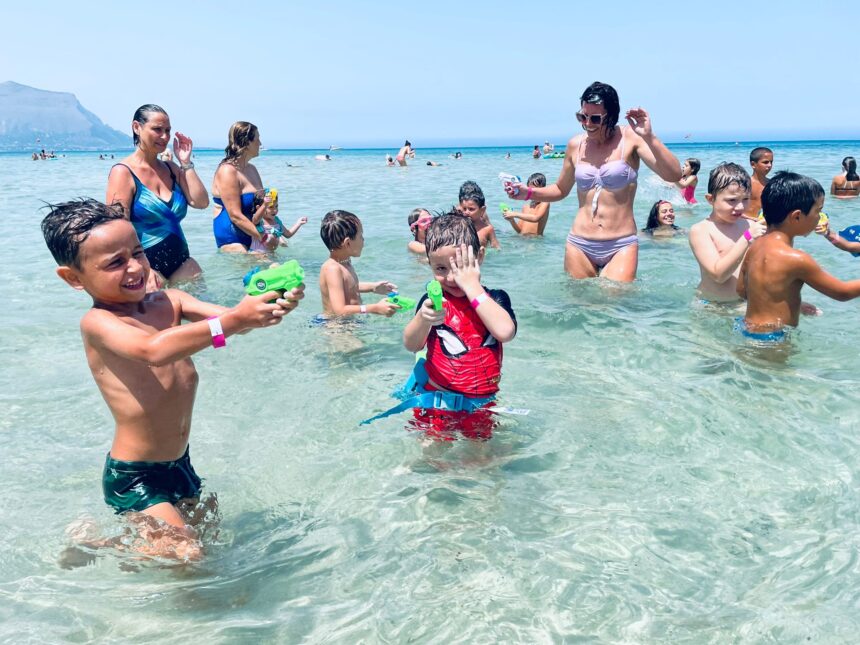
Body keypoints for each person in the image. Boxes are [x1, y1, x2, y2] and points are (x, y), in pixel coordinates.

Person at [41, 199, 304, 560]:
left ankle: (103, 543)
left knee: (206, 539)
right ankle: (93, 546)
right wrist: (234, 321)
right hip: (134, 474)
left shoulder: (171, 300)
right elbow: (154, 350)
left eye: (137, 252)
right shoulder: (99, 324)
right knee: (187, 554)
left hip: (180, 464)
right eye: (115, 262)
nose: (134, 267)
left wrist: (269, 304)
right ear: (74, 277)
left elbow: (235, 322)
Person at [505, 81, 681, 281]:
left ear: (611, 116)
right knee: (581, 307)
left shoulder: (631, 139)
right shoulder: (575, 145)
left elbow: (673, 175)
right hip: (579, 242)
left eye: (595, 118)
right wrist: (527, 192)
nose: (587, 123)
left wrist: (650, 137)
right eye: (582, 116)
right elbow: (561, 189)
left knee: (614, 302)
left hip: (620, 243)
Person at [400, 212, 517, 439]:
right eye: (440, 269)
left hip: (480, 404)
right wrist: (423, 318)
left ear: (479, 257)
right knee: (434, 455)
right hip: (438, 399)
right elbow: (412, 345)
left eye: (459, 267)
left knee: (480, 460)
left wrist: (472, 286)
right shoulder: (433, 302)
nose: (452, 278)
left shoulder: (495, 300)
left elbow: (504, 332)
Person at [738, 172, 860, 338]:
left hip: (746, 328)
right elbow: (842, 292)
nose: (819, 218)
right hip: (772, 339)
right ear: (796, 216)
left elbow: (742, 291)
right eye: (818, 211)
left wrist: (786, 301)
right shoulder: (796, 259)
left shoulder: (756, 246)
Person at [106, 104, 209, 289]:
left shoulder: (171, 168)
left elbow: (201, 202)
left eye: (168, 130)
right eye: (157, 129)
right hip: (147, 272)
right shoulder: (123, 173)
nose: (164, 137)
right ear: (137, 127)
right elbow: (117, 228)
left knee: (211, 315)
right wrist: (140, 266)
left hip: (184, 265)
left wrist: (185, 162)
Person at [689, 163, 766, 302]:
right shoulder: (701, 230)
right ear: (710, 199)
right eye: (732, 200)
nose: (740, 206)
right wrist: (747, 237)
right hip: (713, 306)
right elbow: (718, 275)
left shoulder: (750, 225)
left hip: (745, 303)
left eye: (745, 199)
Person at [318, 210, 400, 317]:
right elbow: (340, 310)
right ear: (347, 243)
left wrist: (373, 287)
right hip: (336, 326)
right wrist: (375, 308)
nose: (363, 239)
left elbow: (349, 286)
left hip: (349, 321)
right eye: (360, 236)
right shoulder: (332, 269)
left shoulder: (344, 262)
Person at [211, 121, 274, 254]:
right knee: (265, 267)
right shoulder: (227, 171)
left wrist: (274, 231)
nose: (260, 144)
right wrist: (263, 238)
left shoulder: (252, 170)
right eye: (257, 139)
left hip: (254, 233)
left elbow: (261, 207)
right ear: (247, 142)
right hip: (232, 236)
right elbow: (235, 215)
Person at [459, 181, 501, 249]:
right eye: (464, 208)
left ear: (482, 210)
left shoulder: (487, 229)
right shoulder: (457, 225)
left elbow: (497, 248)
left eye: (471, 209)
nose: (466, 212)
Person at [745, 147, 773, 217]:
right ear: (753, 164)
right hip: (746, 222)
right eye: (765, 162)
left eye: (771, 162)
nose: (769, 165)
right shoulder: (745, 184)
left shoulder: (772, 184)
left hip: (764, 223)